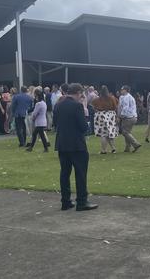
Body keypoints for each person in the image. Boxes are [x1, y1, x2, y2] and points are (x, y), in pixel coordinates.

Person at [53, 83, 97, 211]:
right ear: (78, 93)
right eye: (81, 94)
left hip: (62, 143)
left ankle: (65, 201)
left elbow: (55, 123)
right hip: (77, 145)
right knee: (80, 174)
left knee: (65, 173)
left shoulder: (58, 105)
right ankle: (82, 201)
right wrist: (85, 110)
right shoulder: (77, 106)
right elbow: (84, 127)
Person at [91, 85, 119, 154]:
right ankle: (113, 149)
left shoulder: (97, 99)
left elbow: (93, 105)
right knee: (111, 132)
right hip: (111, 115)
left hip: (101, 115)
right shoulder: (112, 98)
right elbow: (116, 105)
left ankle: (103, 150)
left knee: (103, 134)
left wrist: (98, 110)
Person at [117, 85, 141, 153]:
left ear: (126, 90)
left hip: (128, 117)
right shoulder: (123, 97)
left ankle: (136, 144)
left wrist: (121, 116)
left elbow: (125, 108)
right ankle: (127, 148)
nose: (121, 90)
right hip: (132, 116)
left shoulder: (127, 97)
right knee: (127, 132)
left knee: (125, 132)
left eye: (122, 89)